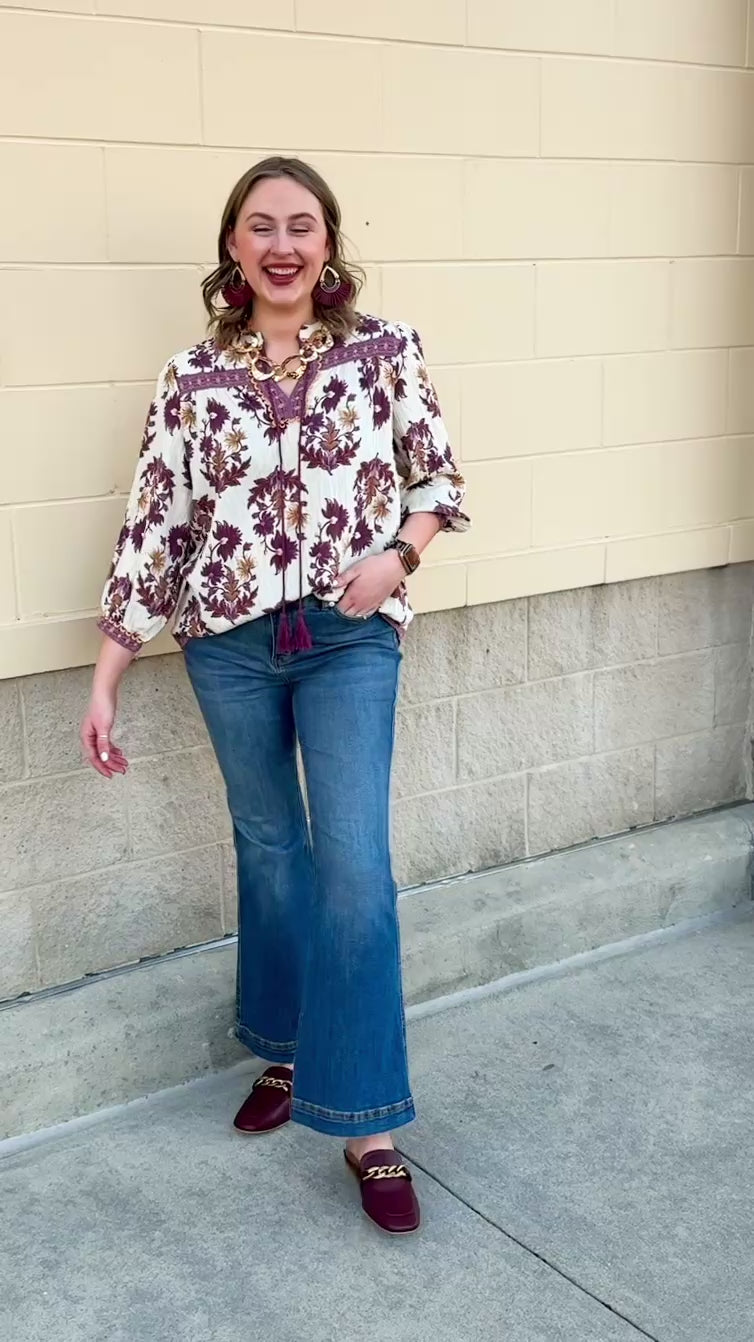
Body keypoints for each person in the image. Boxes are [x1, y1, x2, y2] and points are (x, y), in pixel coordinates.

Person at [80, 156, 469, 1236]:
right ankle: (290, 1051)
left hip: (349, 640)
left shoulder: (386, 350)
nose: (282, 244)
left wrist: (397, 557)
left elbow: (439, 479)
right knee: (269, 849)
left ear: (328, 242)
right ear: (233, 247)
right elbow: (155, 526)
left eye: (302, 225)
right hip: (229, 646)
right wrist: (108, 676)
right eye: (262, 226)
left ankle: (369, 1124)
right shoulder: (190, 377)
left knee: (354, 868)